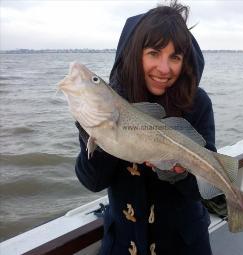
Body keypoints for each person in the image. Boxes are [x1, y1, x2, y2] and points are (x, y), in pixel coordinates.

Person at [75, 1, 218, 254]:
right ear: (135, 53)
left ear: (184, 61)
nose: (164, 69)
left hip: (183, 245)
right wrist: (97, 130)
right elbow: (92, 181)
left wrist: (180, 173)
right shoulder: (108, 102)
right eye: (154, 53)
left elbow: (203, 191)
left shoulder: (197, 103)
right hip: (123, 243)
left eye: (174, 57)